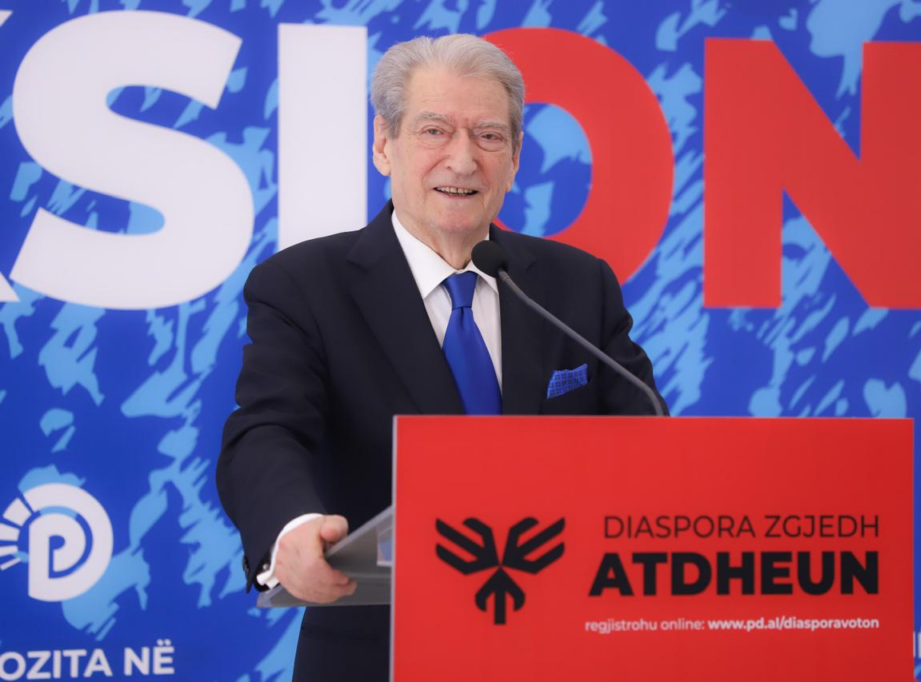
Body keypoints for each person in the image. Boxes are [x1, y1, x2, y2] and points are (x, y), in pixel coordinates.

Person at [217, 33, 666, 681]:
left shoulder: (576, 285)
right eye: (434, 131)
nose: (462, 160)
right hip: (380, 649)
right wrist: (293, 528)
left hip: (567, 645)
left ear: (515, 157)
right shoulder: (304, 285)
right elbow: (267, 430)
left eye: (488, 136)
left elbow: (645, 440)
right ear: (383, 144)